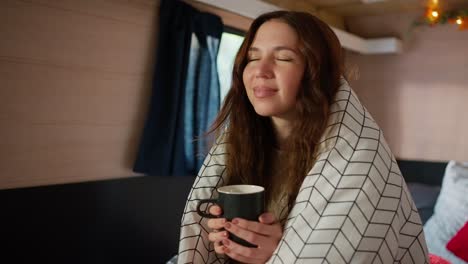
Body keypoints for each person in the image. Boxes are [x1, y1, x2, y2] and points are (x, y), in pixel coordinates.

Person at [176, 11, 429, 263]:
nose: (260, 71)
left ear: (316, 73)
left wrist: (279, 253)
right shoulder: (243, 143)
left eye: (283, 58)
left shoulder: (357, 159)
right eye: (253, 58)